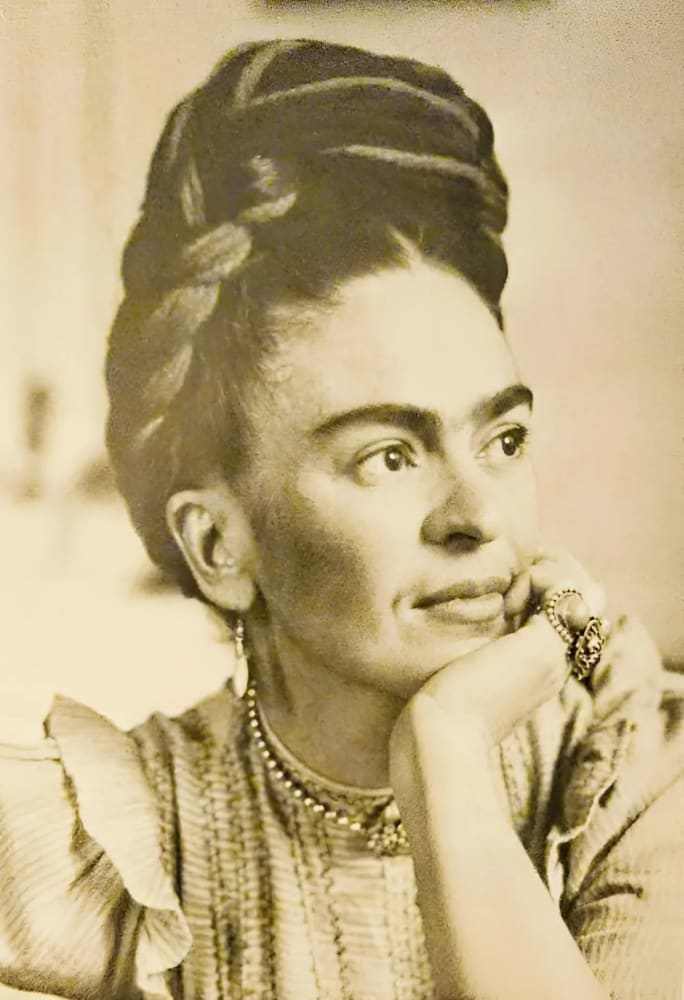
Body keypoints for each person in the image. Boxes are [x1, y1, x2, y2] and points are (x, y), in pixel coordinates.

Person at [1, 38, 682, 1000]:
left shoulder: (632, 773)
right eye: (389, 456)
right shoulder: (121, 837)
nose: (479, 514)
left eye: (504, 440)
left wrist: (447, 751)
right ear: (219, 546)